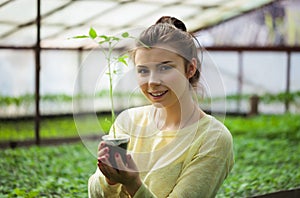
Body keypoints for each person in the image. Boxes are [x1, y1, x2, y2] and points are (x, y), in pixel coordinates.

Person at [88, 16, 234, 198]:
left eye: (165, 68)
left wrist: (134, 185)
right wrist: (109, 180)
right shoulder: (128, 122)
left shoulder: (213, 139)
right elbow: (95, 194)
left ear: (190, 69)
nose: (152, 81)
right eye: (143, 70)